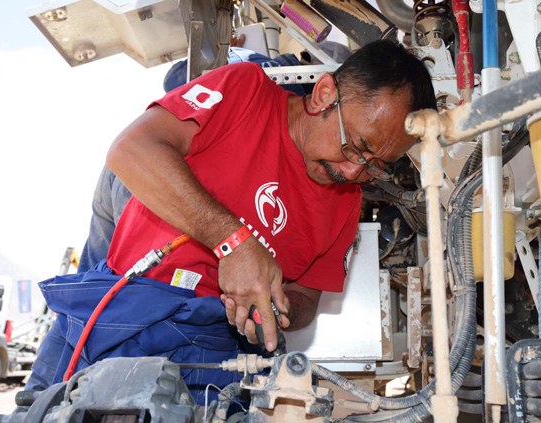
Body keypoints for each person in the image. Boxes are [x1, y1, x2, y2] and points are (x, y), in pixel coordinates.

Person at [27, 39, 436, 404]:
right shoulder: (245, 91)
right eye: (356, 147)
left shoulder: (345, 202)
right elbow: (131, 149)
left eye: (376, 166)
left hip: (217, 353)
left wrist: (278, 308)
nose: (353, 172)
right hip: (124, 312)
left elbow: (308, 296)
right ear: (324, 95)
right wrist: (235, 242)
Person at [77, 42, 354, 274]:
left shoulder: (248, 61)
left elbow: (175, 78)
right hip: (161, 174)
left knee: (88, 289)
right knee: (137, 296)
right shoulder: (280, 86)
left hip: (141, 164)